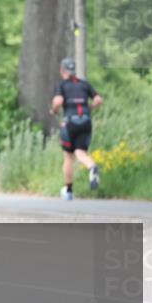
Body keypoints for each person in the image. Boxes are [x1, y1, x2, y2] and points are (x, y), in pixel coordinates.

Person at [51, 57, 103, 201]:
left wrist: (54, 110)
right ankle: (92, 167)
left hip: (70, 123)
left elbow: (58, 101)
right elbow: (98, 100)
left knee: (68, 156)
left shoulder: (61, 85)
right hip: (85, 121)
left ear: (62, 70)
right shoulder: (84, 84)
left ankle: (68, 190)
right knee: (80, 152)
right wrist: (89, 108)